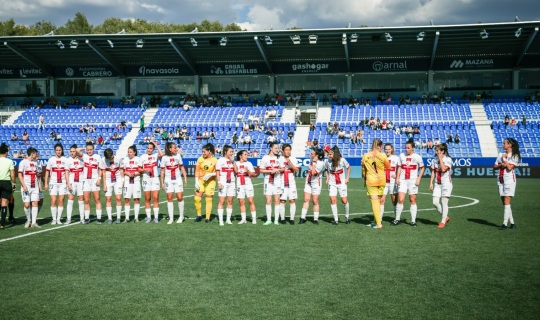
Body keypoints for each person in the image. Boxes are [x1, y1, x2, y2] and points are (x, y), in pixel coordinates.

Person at [392, 139, 425, 227]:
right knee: (400, 200)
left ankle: (413, 221)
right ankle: (397, 219)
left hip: (413, 181)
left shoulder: (417, 157)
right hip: (403, 180)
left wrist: (419, 178)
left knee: (412, 200)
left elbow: (422, 168)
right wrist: (397, 177)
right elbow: (399, 167)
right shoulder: (402, 156)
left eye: (408, 148)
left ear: (413, 148)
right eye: (405, 148)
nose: (406, 149)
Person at [362, 139, 391, 230]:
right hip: (381, 181)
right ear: (379, 146)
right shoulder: (382, 155)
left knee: (374, 202)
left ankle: (379, 224)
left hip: (371, 181)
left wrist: (365, 177)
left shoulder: (365, 156)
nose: (382, 149)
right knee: (378, 201)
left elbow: (363, 171)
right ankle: (375, 222)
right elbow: (388, 167)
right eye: (382, 147)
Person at [494, 138, 521, 230]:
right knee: (505, 202)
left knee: (506, 201)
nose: (503, 144)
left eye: (504, 143)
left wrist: (504, 160)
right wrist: (500, 165)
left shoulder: (514, 155)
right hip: (500, 179)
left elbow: (509, 168)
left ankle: (505, 224)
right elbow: (494, 167)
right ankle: (512, 223)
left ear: (510, 145)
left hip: (509, 179)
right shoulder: (500, 154)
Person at [160, 142, 188, 224]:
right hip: (168, 180)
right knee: (169, 198)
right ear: (170, 149)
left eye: (176, 147)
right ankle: (171, 218)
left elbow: (182, 167)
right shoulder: (164, 158)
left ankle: (181, 216)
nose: (176, 149)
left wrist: (185, 178)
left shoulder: (178, 156)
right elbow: (162, 171)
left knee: (179, 197)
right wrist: (162, 182)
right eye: (174, 148)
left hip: (178, 179)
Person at [259, 142, 285, 225]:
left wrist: (277, 170)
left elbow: (283, 169)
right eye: (275, 148)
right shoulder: (265, 158)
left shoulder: (280, 158)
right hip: (268, 181)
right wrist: (270, 171)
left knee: (277, 200)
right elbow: (261, 170)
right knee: (268, 200)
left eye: (278, 148)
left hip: (277, 181)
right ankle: (269, 219)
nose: (277, 150)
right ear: (271, 148)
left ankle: (276, 220)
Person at [324, 146, 351, 225]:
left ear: (335, 154)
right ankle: (336, 220)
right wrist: (327, 178)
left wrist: (347, 178)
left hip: (341, 183)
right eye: (328, 154)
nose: (329, 156)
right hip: (332, 184)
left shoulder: (342, 160)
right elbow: (325, 169)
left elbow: (349, 168)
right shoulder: (327, 161)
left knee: (344, 201)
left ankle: (347, 217)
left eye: (330, 154)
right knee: (332, 200)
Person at [299, 147, 325, 224]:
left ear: (316, 155)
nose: (310, 154)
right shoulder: (311, 160)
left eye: (312, 154)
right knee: (306, 199)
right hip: (308, 182)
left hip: (316, 183)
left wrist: (314, 162)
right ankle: (302, 217)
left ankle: (315, 219)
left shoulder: (320, 163)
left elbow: (314, 172)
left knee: (315, 201)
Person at [430, 143, 453, 228]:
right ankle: (445, 216)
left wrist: (440, 159)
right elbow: (433, 172)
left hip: (446, 183)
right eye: (436, 150)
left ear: (443, 151)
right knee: (435, 202)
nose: (436, 152)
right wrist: (431, 183)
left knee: (444, 202)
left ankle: (443, 221)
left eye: (438, 151)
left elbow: (443, 169)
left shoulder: (448, 159)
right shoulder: (434, 160)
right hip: (437, 184)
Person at [44, 143, 68, 225]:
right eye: (57, 150)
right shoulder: (51, 159)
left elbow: (67, 172)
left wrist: (67, 183)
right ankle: (54, 219)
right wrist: (46, 183)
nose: (58, 152)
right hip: (53, 183)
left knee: (61, 201)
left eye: (60, 150)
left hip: (62, 183)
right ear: (55, 151)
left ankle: (58, 219)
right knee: (53, 201)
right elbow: (47, 172)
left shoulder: (65, 159)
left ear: (62, 151)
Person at [140, 140, 163, 223]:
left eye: (150, 148)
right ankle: (149, 217)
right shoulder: (142, 157)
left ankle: (156, 217)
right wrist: (145, 169)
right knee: (147, 198)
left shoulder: (155, 156)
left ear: (153, 149)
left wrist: (156, 144)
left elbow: (162, 154)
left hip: (155, 179)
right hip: (146, 179)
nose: (149, 150)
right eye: (148, 148)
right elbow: (139, 169)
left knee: (156, 198)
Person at [194, 143, 217, 223]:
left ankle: (207, 218)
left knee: (208, 199)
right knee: (197, 198)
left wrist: (211, 174)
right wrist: (196, 181)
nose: (203, 153)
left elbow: (218, 172)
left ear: (209, 151)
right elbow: (197, 171)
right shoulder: (200, 159)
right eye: (202, 152)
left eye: (204, 152)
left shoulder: (214, 160)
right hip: (201, 181)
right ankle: (199, 215)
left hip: (211, 181)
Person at [234, 150, 258, 224]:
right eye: (245, 154)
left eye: (247, 154)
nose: (246, 156)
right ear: (240, 156)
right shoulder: (236, 163)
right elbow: (235, 172)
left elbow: (254, 174)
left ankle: (254, 219)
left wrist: (248, 171)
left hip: (248, 184)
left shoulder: (249, 163)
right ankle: (243, 219)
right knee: (241, 202)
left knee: (251, 201)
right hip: (239, 185)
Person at [18, 147, 41, 228]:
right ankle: (28, 220)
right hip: (26, 187)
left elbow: (38, 174)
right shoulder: (23, 162)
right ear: (32, 154)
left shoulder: (36, 163)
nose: (36, 154)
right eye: (35, 153)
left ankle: (34, 222)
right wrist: (23, 185)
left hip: (34, 186)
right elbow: (20, 174)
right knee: (27, 205)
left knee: (35, 203)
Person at [379, 143, 401, 225]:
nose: (387, 150)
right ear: (384, 150)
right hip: (383, 182)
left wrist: (397, 175)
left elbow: (400, 168)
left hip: (393, 182)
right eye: (386, 149)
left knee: (394, 201)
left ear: (391, 149)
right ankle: (379, 219)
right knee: (381, 200)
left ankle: (397, 219)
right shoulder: (381, 157)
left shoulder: (396, 158)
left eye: (389, 149)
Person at [100, 148, 123, 224]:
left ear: (113, 154)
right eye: (108, 158)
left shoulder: (118, 158)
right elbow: (103, 172)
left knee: (118, 198)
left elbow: (121, 169)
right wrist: (104, 185)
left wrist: (122, 180)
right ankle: (110, 218)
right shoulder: (103, 160)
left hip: (118, 180)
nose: (109, 159)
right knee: (108, 199)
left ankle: (118, 217)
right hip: (108, 180)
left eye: (110, 157)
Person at [216, 145, 236, 226]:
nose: (231, 153)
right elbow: (217, 172)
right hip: (223, 182)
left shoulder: (233, 161)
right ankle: (221, 220)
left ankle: (228, 219)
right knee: (221, 201)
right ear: (225, 152)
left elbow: (236, 171)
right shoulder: (220, 160)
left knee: (230, 201)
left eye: (232, 152)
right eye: (230, 151)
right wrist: (219, 182)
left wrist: (233, 162)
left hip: (231, 183)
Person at [121, 145, 142, 223]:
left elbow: (140, 170)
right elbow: (123, 170)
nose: (129, 153)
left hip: (136, 181)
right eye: (128, 152)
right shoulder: (125, 160)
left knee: (136, 199)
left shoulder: (138, 159)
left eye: (130, 152)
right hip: (127, 182)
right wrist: (128, 173)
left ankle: (136, 218)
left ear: (134, 152)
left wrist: (135, 173)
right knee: (127, 199)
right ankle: (127, 218)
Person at [279, 144, 299, 224]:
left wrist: (289, 162)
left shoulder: (293, 159)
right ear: (283, 151)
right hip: (282, 182)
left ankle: (292, 219)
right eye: (286, 150)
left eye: (289, 150)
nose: (288, 151)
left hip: (291, 183)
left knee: (292, 200)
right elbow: (278, 169)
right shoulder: (279, 159)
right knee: (282, 200)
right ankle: (283, 219)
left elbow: (296, 170)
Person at [65, 144, 85, 224]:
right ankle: (69, 219)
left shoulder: (81, 159)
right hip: (72, 182)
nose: (72, 153)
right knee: (70, 200)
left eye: (74, 151)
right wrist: (68, 184)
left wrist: (80, 149)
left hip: (80, 182)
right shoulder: (68, 160)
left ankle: (82, 219)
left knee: (81, 200)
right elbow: (66, 173)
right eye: (71, 151)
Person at [0, 143, 16, 229]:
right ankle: (2, 224)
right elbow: (12, 175)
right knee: (4, 203)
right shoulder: (9, 161)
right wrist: (13, 184)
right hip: (6, 182)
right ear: (6, 152)